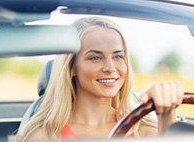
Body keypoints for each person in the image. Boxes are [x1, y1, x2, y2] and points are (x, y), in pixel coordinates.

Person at [16, 17, 184, 141]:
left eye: (118, 56)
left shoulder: (143, 132)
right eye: (95, 58)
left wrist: (167, 114)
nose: (110, 68)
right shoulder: (44, 135)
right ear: (72, 67)